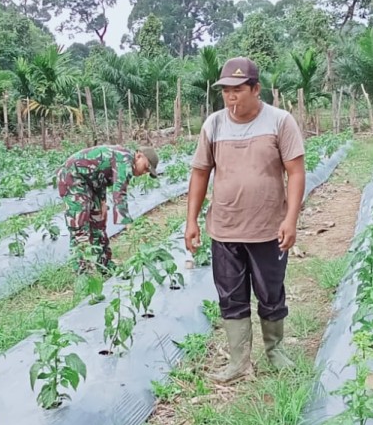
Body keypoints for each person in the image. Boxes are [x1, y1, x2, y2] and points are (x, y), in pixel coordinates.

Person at [184, 57, 307, 384]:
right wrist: (191, 220)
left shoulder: (280, 122)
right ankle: (239, 362)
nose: (230, 97)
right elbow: (200, 173)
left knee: (270, 292)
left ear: (256, 89)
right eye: (226, 91)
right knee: (231, 296)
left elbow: (295, 173)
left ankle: (275, 352)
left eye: (238, 89)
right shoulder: (214, 125)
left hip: (268, 228)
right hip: (225, 228)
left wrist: (291, 218)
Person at [57, 144, 159, 273]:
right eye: (146, 167)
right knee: (80, 225)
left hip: (90, 183)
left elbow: (101, 176)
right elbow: (119, 193)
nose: (144, 172)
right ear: (138, 155)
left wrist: (102, 201)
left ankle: (103, 264)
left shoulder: (124, 160)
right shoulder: (125, 160)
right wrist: (128, 225)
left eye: (147, 172)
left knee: (98, 222)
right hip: (73, 176)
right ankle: (83, 270)